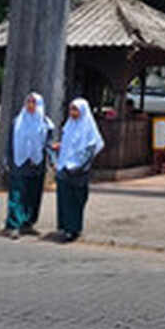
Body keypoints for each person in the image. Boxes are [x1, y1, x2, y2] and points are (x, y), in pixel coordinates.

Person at [51, 97, 105, 243]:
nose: (72, 112)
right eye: (71, 109)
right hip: (64, 167)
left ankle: (74, 228)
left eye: (75, 109)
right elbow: (69, 145)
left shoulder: (88, 128)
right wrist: (59, 148)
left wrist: (79, 164)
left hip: (79, 170)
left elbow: (93, 147)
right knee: (64, 199)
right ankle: (65, 227)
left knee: (77, 200)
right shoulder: (69, 126)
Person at [4, 92, 55, 238]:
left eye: (33, 102)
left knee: (34, 194)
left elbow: (48, 144)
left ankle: (28, 223)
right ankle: (13, 224)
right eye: (28, 102)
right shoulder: (18, 122)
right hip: (19, 163)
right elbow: (10, 143)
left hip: (36, 164)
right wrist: (8, 160)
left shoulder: (46, 124)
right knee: (17, 194)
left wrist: (53, 161)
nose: (30, 105)